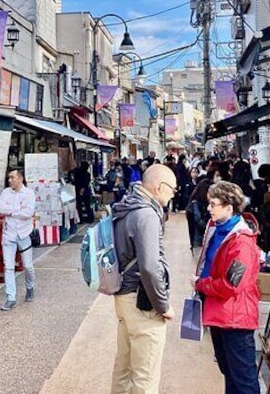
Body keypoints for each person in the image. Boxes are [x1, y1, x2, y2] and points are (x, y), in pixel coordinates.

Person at [111, 164, 177, 393]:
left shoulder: (126, 207)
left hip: (123, 297)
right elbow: (150, 267)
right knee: (145, 376)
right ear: (159, 187)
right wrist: (163, 305)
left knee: (124, 368)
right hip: (142, 303)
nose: (173, 194)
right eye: (172, 189)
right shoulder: (147, 214)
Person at [193, 181, 261, 394]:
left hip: (235, 318)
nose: (208, 208)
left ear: (229, 208)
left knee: (243, 379)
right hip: (220, 313)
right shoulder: (216, 229)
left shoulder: (241, 242)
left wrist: (201, 284)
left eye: (213, 204)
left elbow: (232, 284)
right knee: (230, 373)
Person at [0, 169, 37, 311]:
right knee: (8, 266)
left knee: (28, 266)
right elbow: (1, 208)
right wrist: (18, 209)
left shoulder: (29, 194)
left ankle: (30, 287)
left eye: (12, 178)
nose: (10, 180)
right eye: (9, 178)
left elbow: (28, 213)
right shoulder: (5, 193)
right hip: (8, 234)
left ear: (20, 178)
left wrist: (12, 211)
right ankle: (10, 297)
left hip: (24, 234)